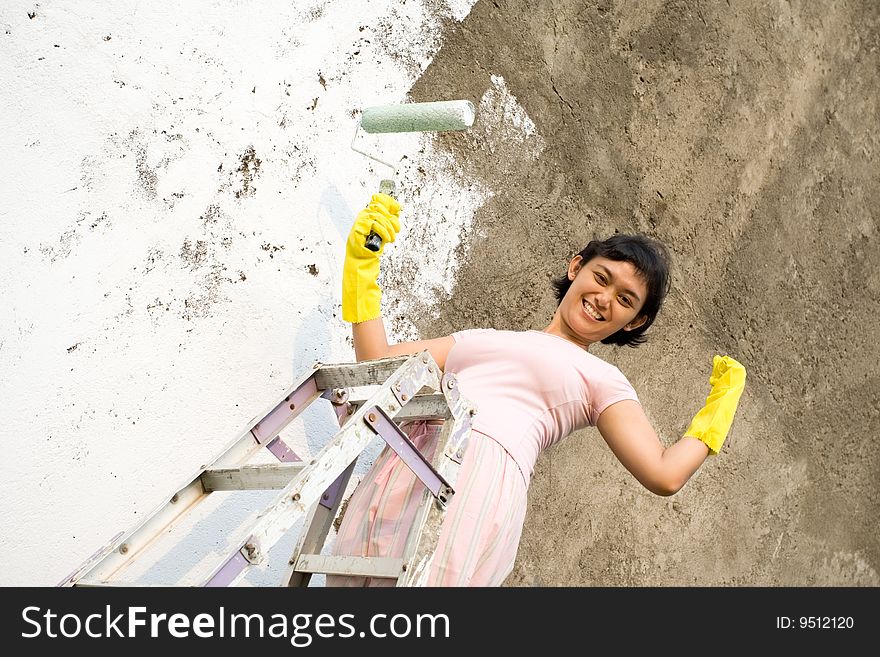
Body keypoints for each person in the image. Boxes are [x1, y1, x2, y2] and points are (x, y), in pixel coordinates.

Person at [327, 193, 746, 587]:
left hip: (477, 483)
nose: (603, 298)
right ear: (575, 267)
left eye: (625, 299)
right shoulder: (478, 338)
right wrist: (363, 268)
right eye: (601, 277)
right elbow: (375, 366)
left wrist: (720, 409)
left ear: (634, 321)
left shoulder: (599, 378)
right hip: (411, 462)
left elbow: (664, 474)